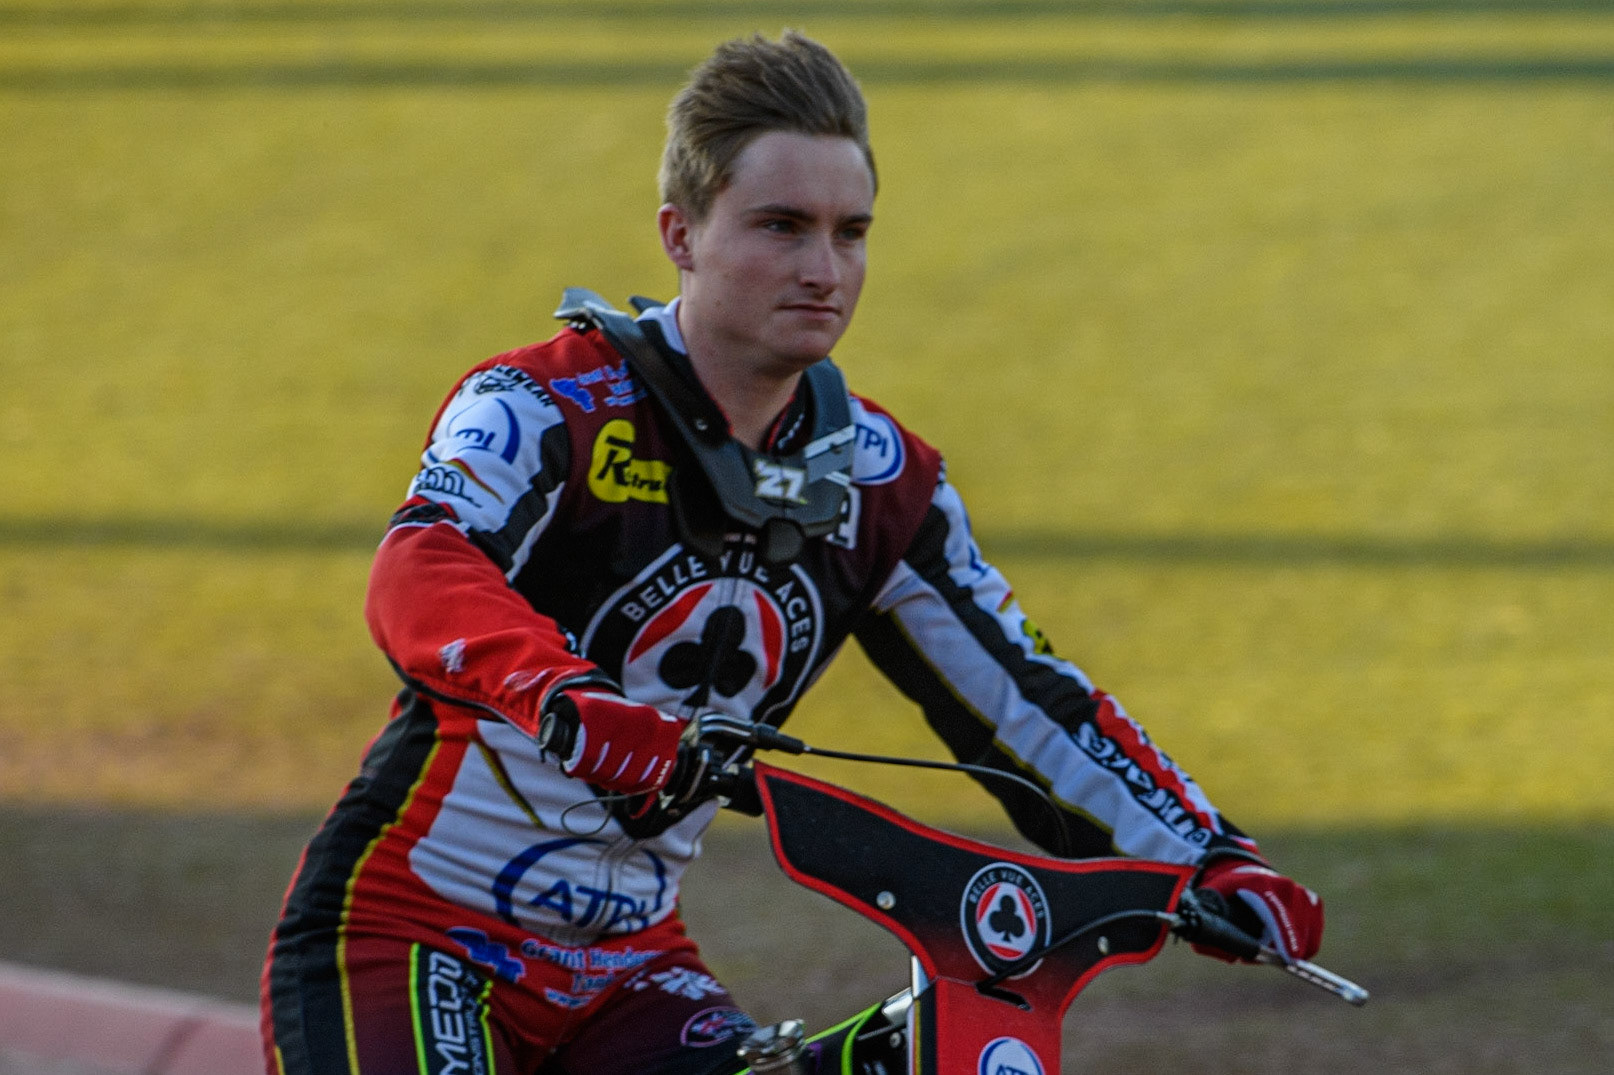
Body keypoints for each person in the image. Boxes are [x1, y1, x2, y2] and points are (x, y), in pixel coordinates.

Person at [261, 30, 1325, 1075]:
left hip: (626, 969)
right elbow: (422, 569)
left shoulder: (884, 481)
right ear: (680, 235)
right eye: (781, 226)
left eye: (850, 232)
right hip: (406, 937)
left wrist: (1209, 856)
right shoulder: (546, 404)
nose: (824, 270)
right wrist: (568, 699)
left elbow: (1029, 702)